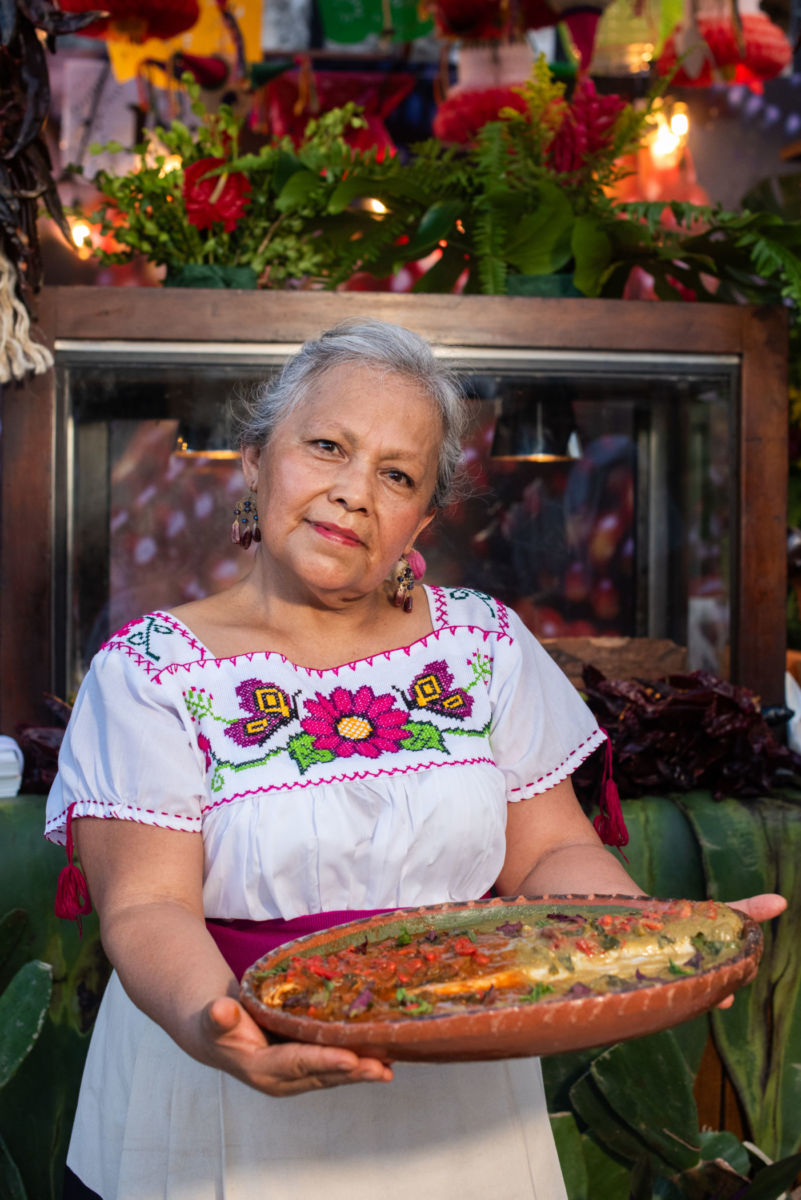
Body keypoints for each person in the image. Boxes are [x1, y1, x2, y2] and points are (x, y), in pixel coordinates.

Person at [46, 319, 784, 1200]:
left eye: (396, 476)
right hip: (219, 1089)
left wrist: (660, 942)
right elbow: (147, 907)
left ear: (423, 518)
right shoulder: (151, 671)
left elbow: (549, 854)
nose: (353, 493)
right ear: (255, 459)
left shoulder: (480, 644)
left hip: (459, 1100)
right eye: (326, 447)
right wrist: (224, 1028)